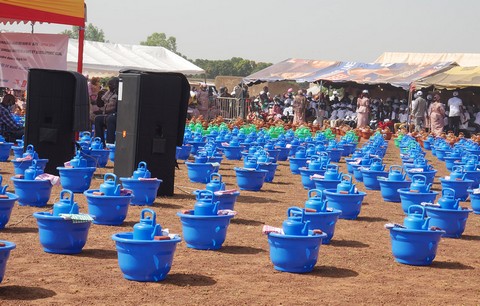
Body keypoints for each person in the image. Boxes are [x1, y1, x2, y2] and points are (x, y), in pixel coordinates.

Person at [94, 77, 119, 145]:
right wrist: (100, 95)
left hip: (116, 115)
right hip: (107, 113)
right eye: (109, 85)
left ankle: (109, 143)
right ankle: (100, 142)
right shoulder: (110, 92)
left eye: (111, 85)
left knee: (110, 119)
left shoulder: (119, 93)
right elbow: (101, 102)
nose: (109, 86)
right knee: (97, 119)